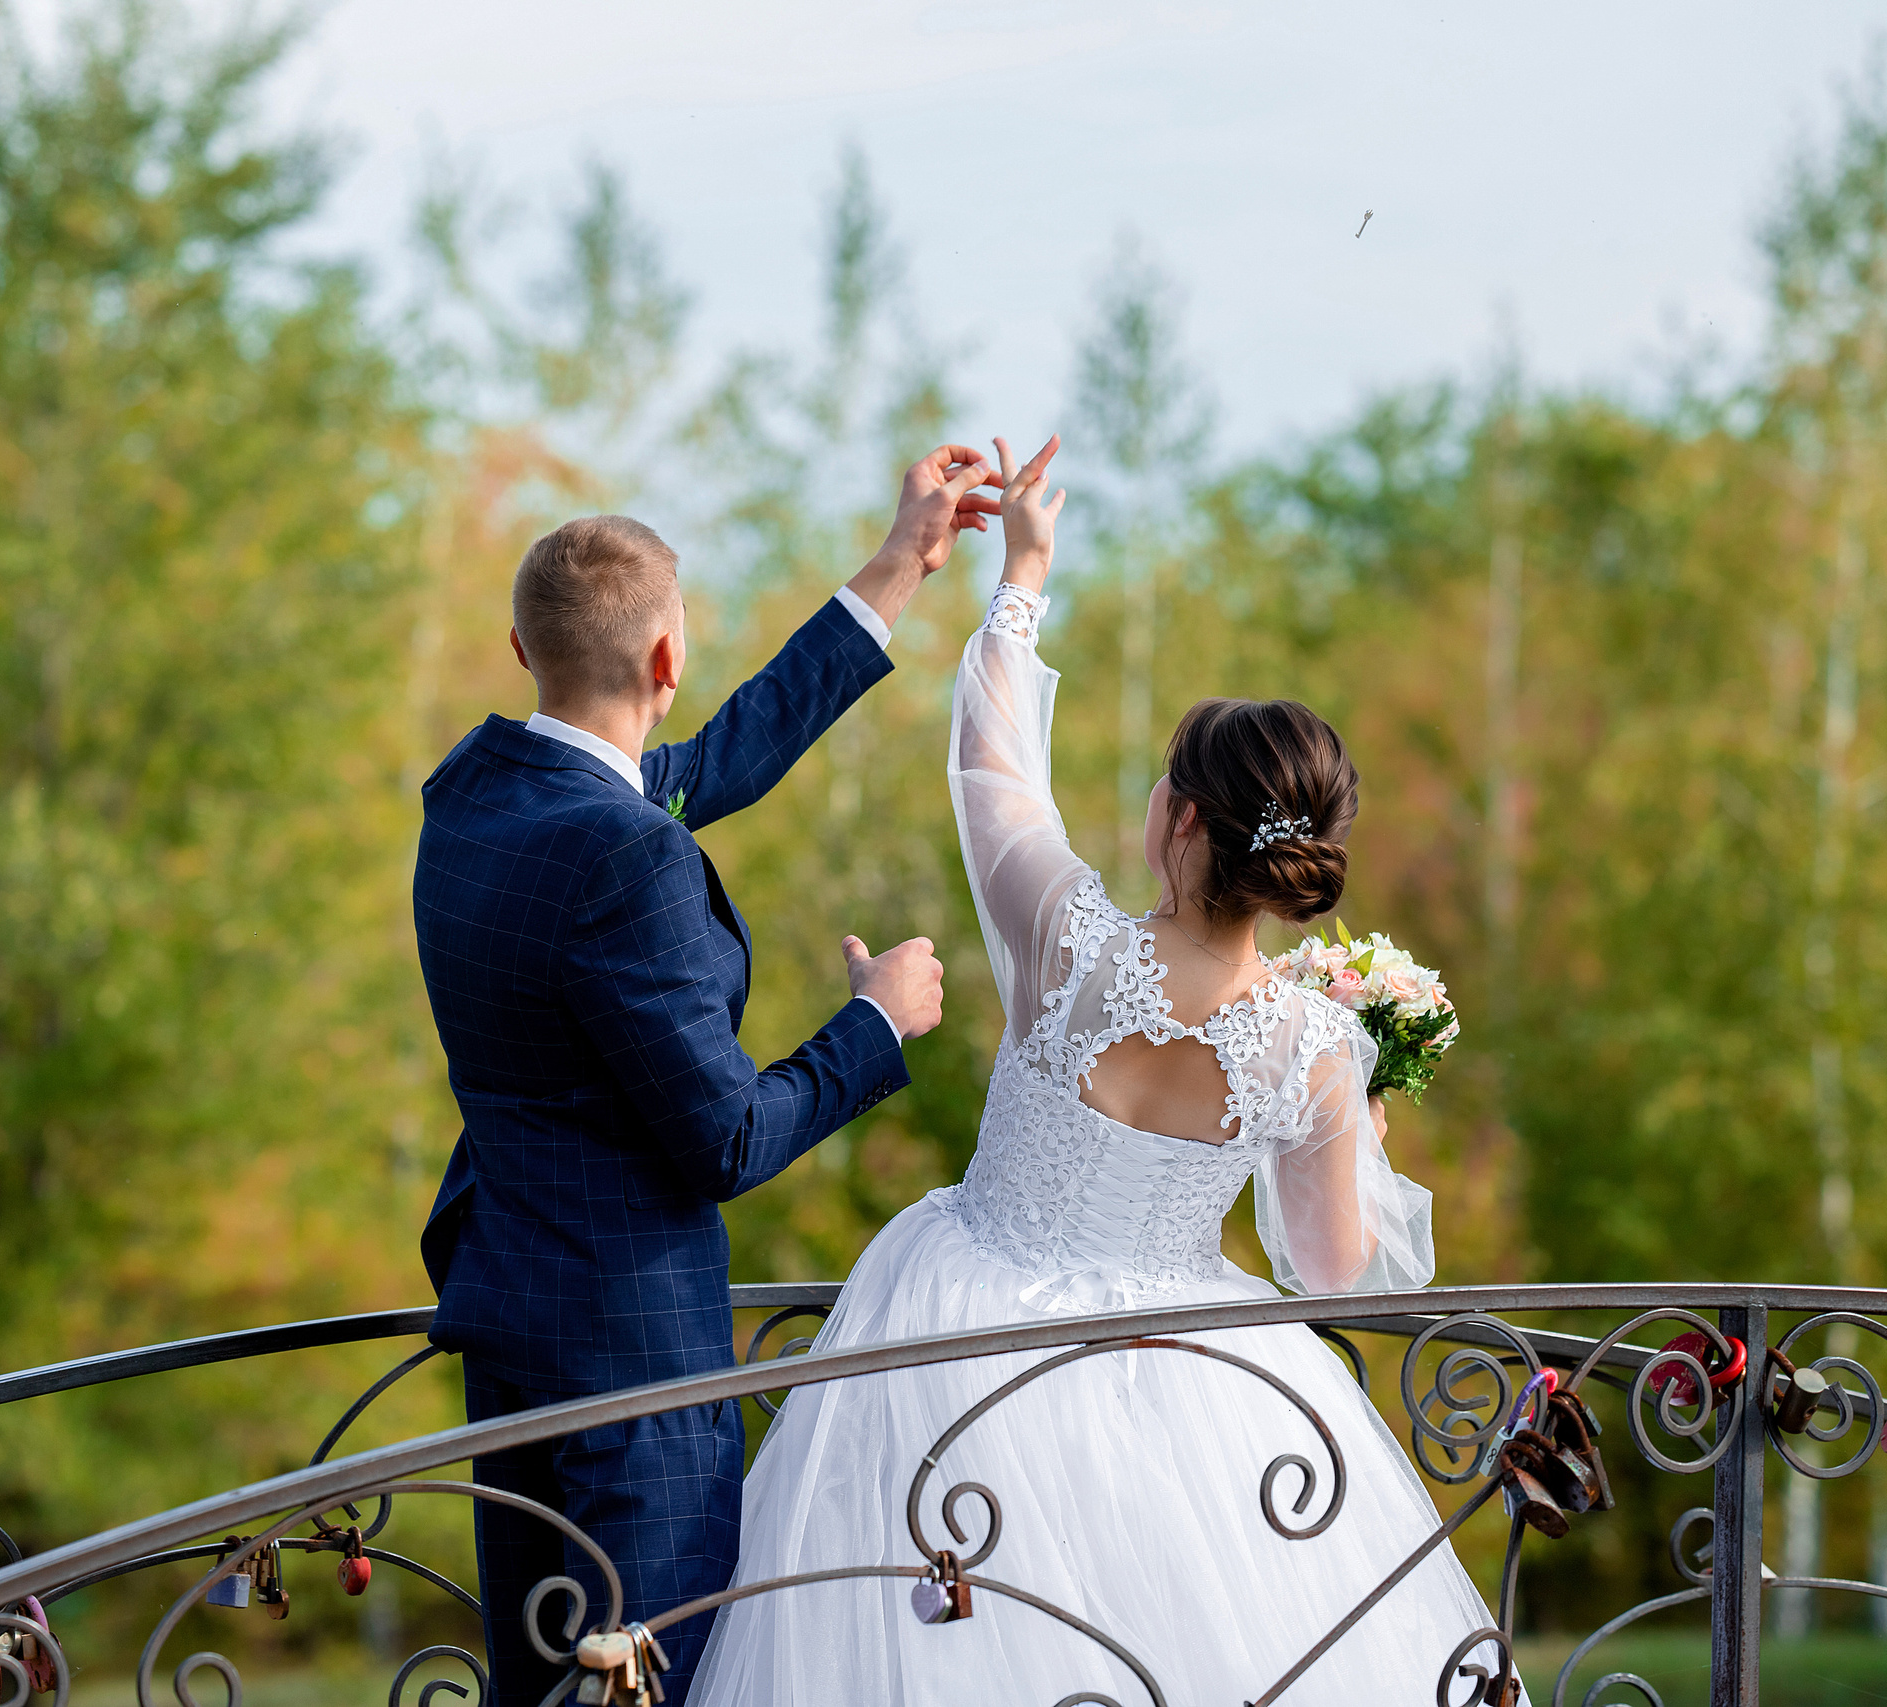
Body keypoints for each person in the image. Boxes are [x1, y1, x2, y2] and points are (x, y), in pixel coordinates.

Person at [684, 437, 1507, 1705]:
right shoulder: (1318, 1047)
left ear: (1179, 820)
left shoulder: (1065, 944)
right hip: (1207, 1387)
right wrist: (1349, 1110)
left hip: (961, 1327)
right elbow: (1332, 1271)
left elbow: (991, 763)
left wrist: (1023, 576)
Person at [413, 448, 993, 1704]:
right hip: (629, 1367)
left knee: (538, 1688)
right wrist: (873, 1028)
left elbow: (722, 757)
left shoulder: (476, 797)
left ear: (522, 649)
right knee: (652, 1682)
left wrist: (899, 565)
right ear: (667, 659)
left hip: (510, 1324)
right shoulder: (624, 856)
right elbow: (723, 1141)